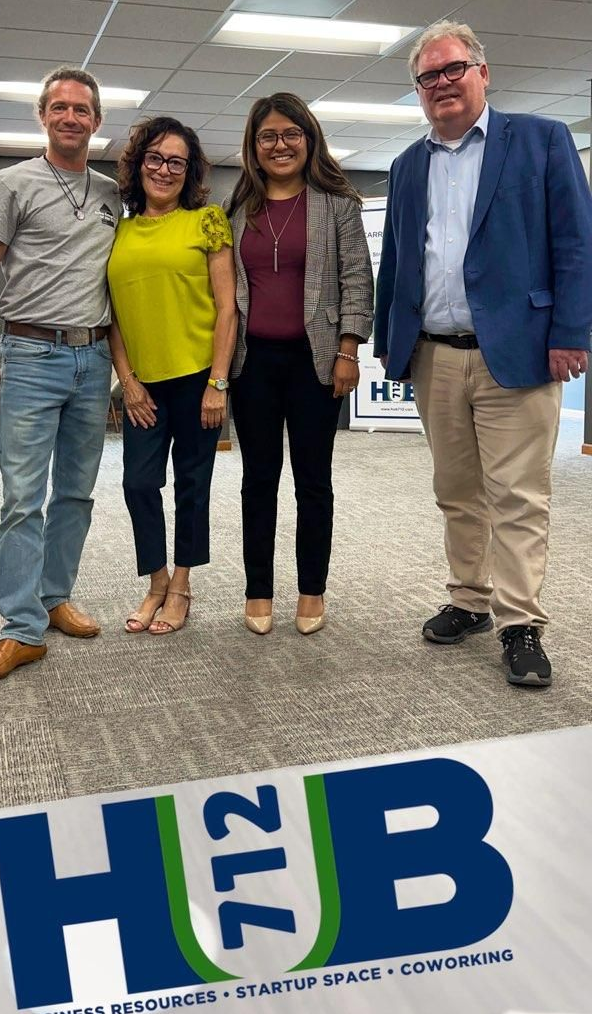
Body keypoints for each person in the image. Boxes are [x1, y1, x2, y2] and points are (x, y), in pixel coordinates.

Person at [374, 21, 592, 687]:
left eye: (453, 69)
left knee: (517, 495)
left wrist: (572, 332)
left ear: (482, 73)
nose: (442, 83)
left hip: (519, 349)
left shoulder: (540, 140)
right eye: (429, 76)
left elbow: (577, 243)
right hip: (436, 356)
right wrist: (392, 345)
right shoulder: (409, 164)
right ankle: (469, 599)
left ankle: (519, 620)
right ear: (418, 90)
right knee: (456, 490)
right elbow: (400, 262)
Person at [0, 66, 121, 681]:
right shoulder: (11, 183)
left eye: (82, 109)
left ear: (96, 121)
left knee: (76, 494)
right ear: (43, 115)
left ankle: (54, 598)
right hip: (29, 356)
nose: (71, 118)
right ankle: (20, 628)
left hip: (93, 357)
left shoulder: (112, 194)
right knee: (22, 500)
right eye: (59, 107)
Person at [226, 92, 373, 635]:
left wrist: (348, 350)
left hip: (316, 363)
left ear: (308, 140)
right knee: (257, 481)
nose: (280, 144)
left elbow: (357, 280)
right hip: (252, 364)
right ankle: (258, 590)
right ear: (254, 147)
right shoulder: (237, 210)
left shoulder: (338, 204)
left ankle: (312, 590)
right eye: (268, 136)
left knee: (314, 482)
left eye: (291, 133)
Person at [107, 116, 237, 634]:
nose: (165, 169)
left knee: (191, 484)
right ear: (139, 165)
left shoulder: (207, 221)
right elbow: (110, 313)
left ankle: (181, 584)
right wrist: (128, 380)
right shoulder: (119, 229)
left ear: (190, 170)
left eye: (176, 162)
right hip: (142, 383)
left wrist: (218, 382)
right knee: (138, 483)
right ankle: (156, 579)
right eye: (155, 159)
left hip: (199, 377)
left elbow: (227, 309)